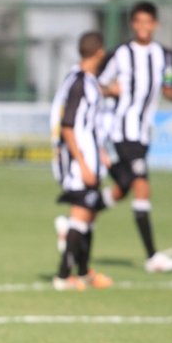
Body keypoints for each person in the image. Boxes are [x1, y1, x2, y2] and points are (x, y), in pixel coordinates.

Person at [96, 0, 172, 274]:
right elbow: (96, 86)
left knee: (123, 188)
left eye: (148, 22)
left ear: (155, 24)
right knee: (142, 186)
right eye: (138, 22)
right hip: (121, 129)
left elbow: (169, 87)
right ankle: (152, 256)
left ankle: (77, 220)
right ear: (132, 25)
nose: (143, 27)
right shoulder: (119, 54)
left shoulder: (166, 56)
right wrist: (111, 91)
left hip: (143, 132)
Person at [50, 32, 113, 291]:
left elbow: (89, 125)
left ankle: (84, 270)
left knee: (90, 212)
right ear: (99, 52)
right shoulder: (78, 83)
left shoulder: (88, 81)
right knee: (81, 214)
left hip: (89, 157)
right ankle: (63, 276)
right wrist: (84, 164)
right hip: (78, 162)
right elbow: (68, 127)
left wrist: (100, 152)